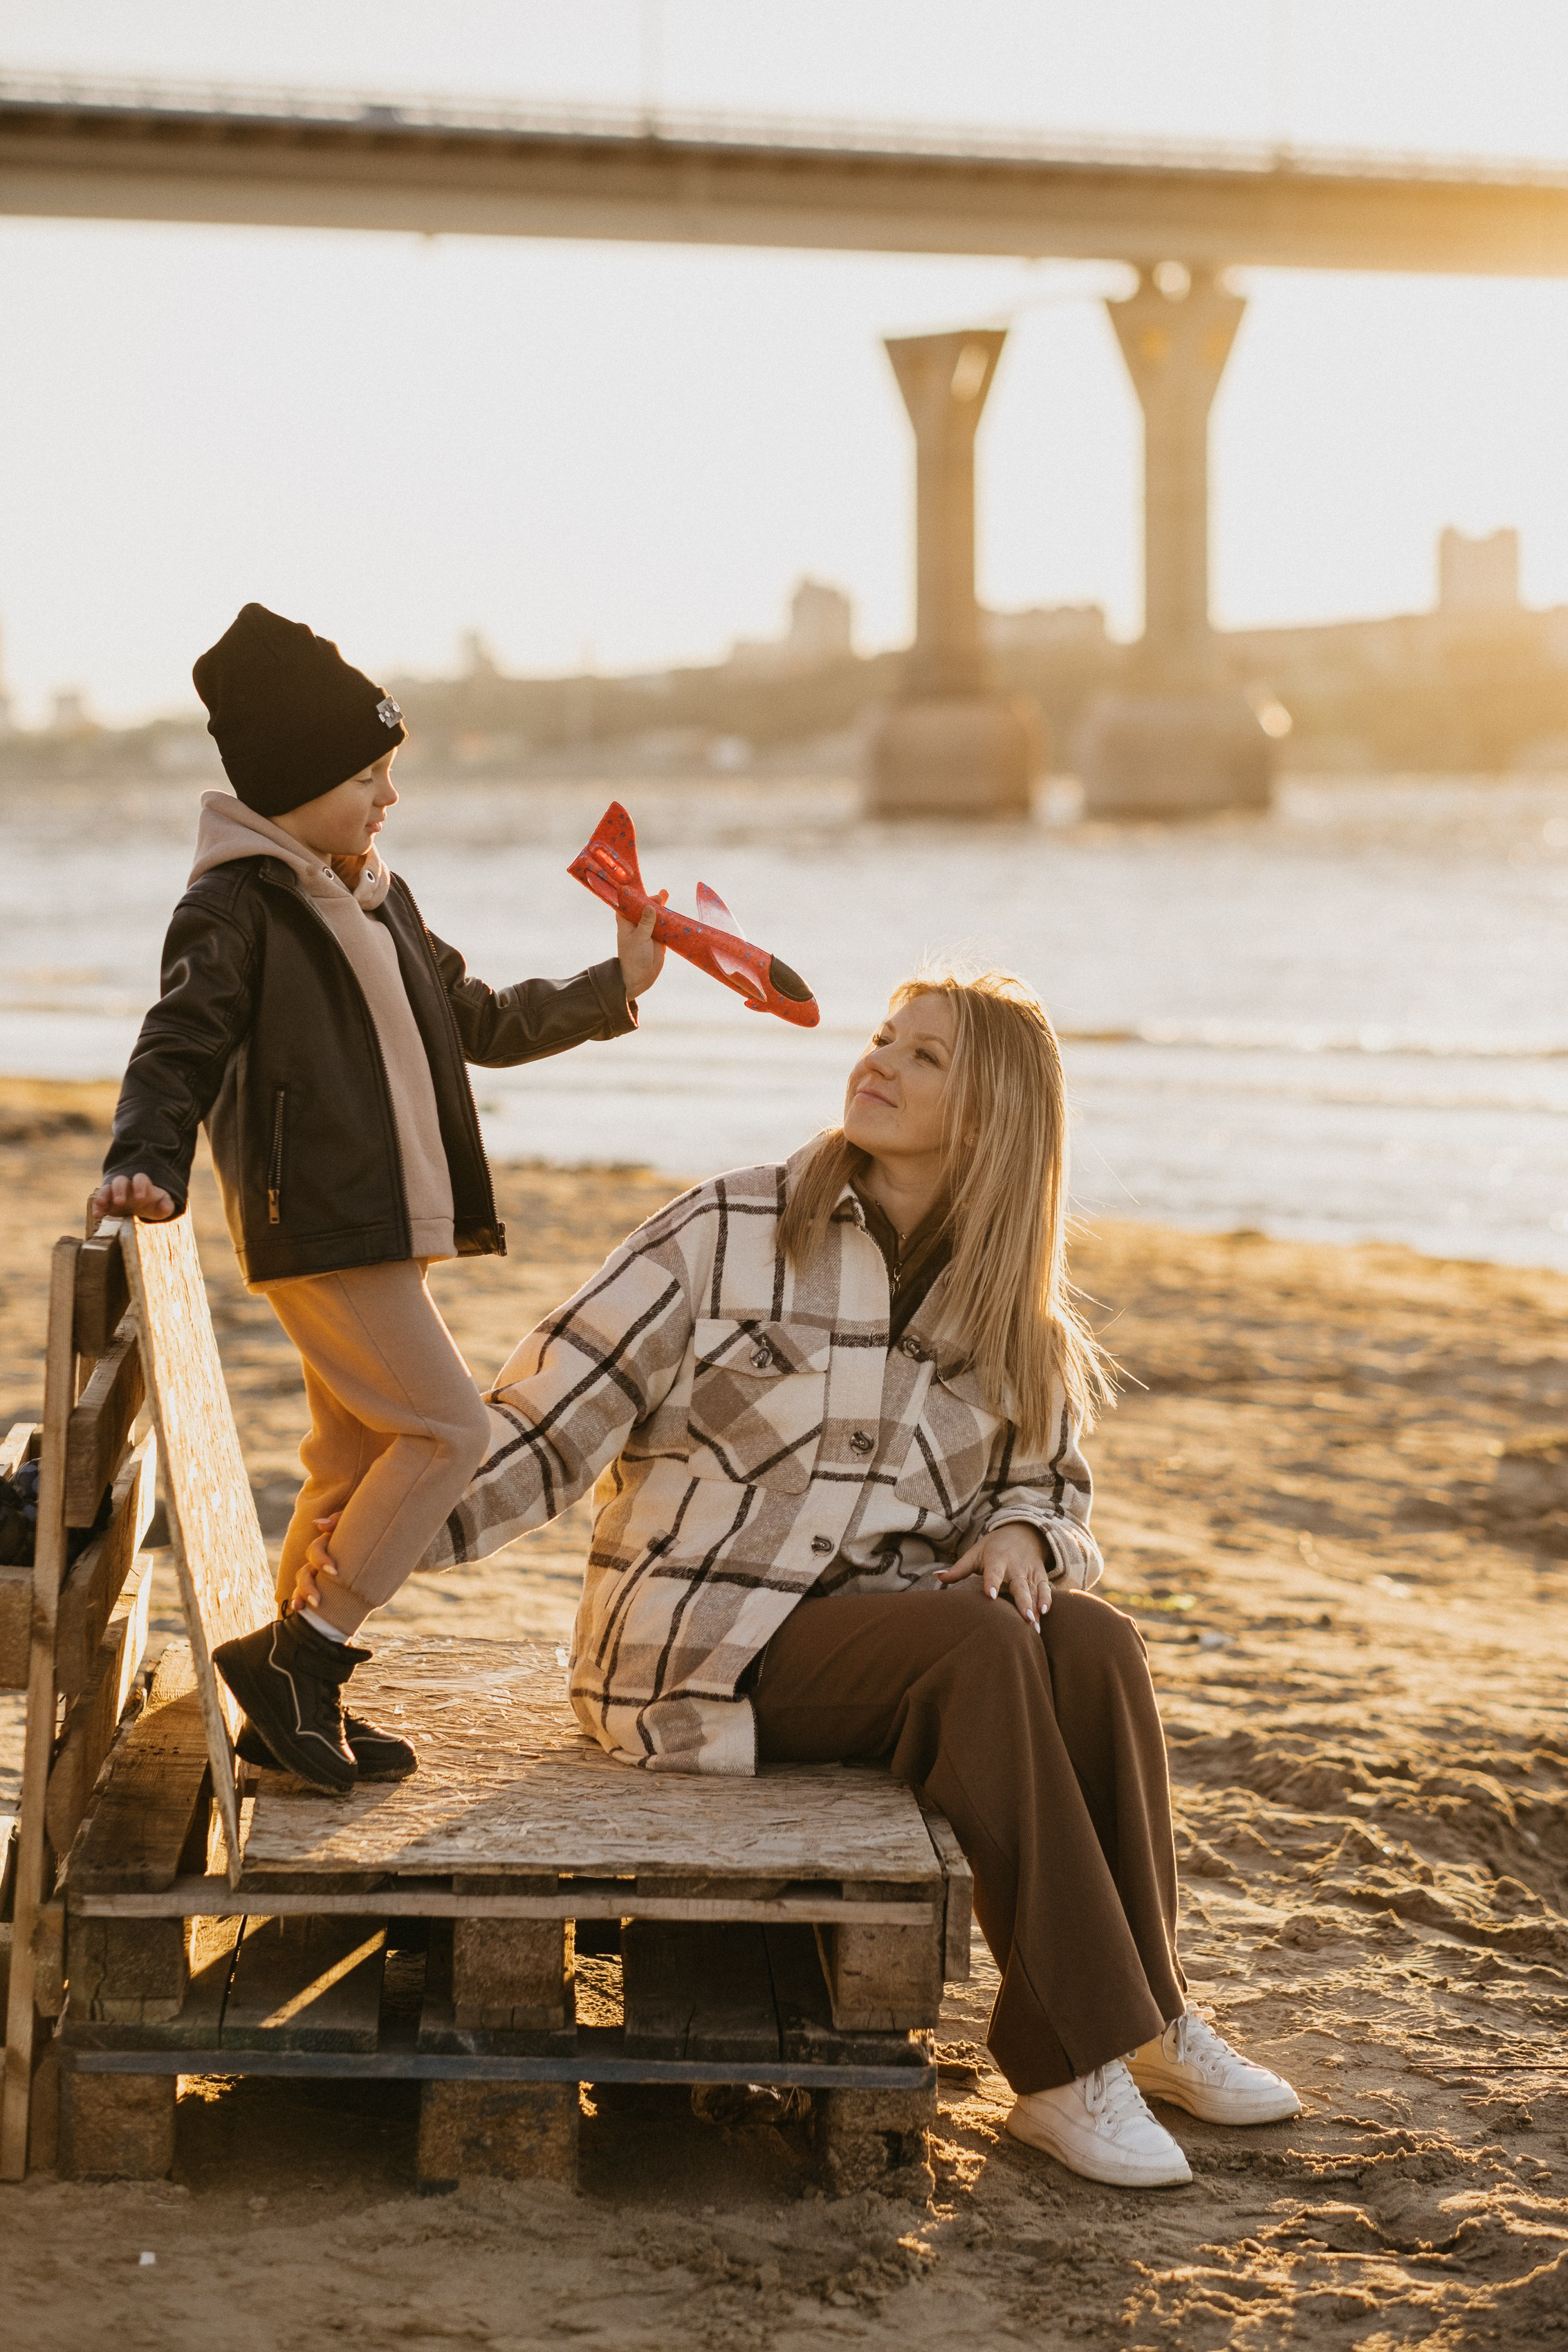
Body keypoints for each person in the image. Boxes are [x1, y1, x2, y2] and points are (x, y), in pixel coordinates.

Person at [303, 964, 1301, 2189]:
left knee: (1089, 1638)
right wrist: (359, 1560)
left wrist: (1022, 1541)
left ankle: (1149, 2020)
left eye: (925, 1055)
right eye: (885, 1037)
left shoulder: (1010, 1310)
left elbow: (1054, 1489)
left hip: (873, 1648)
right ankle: (1062, 2070)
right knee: (979, 1651)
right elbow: (548, 1427)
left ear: (992, 1112)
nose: (878, 1061)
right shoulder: (728, 1229)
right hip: (691, 1658)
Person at [89, 601, 665, 1794]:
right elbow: (177, 1045)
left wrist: (619, 983)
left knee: (353, 1462)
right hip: (320, 1227)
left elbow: (481, 1022)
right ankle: (304, 1655)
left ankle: (288, 1709)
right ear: (294, 784)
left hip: (381, 1224)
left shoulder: (378, 895)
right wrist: (146, 1154)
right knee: (451, 1431)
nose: (387, 799)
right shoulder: (235, 906)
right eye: (367, 775)